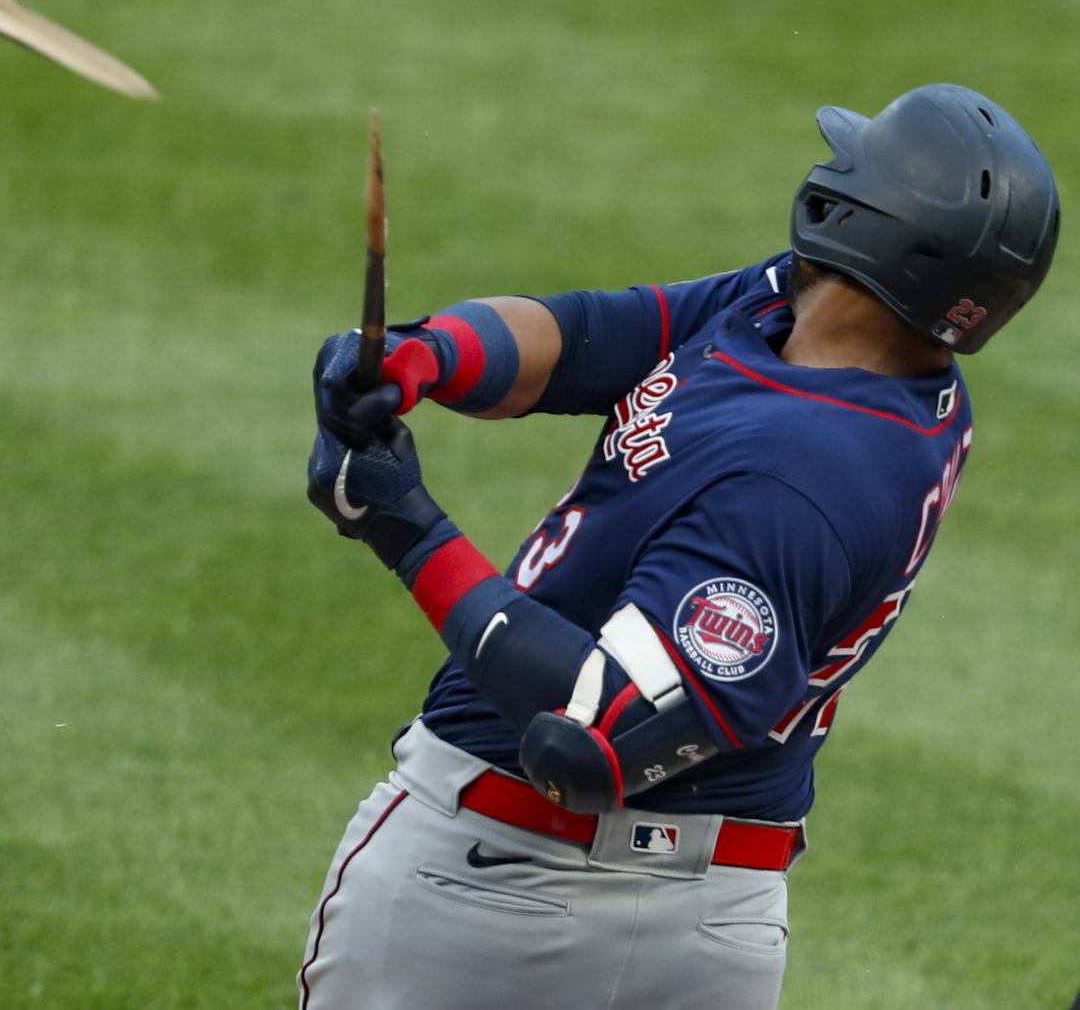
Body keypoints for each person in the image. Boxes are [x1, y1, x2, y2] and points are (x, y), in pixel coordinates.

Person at [298, 83, 1060, 1010]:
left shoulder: (800, 477)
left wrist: (402, 526)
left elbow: (592, 735)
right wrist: (425, 355)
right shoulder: (811, 322)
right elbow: (592, 336)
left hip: (504, 902)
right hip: (707, 921)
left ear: (874, 222)